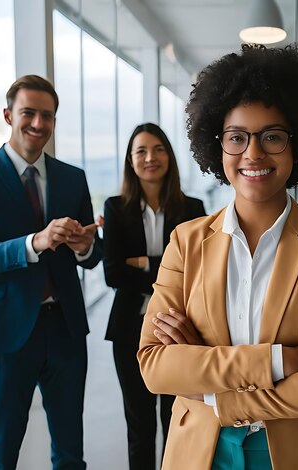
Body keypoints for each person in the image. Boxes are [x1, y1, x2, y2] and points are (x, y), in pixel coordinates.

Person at [138, 44, 298, 470]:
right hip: (200, 454)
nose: (254, 153)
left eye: (273, 136)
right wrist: (282, 359)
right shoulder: (185, 243)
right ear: (217, 144)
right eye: (237, 137)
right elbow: (155, 366)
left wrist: (211, 386)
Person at [0, 75, 101, 469]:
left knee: (71, 450)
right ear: (8, 115)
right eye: (28, 113)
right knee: (0, 452)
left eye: (47, 116)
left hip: (65, 328)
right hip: (4, 331)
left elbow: (91, 252)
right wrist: (34, 243)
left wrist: (85, 248)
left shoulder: (73, 177)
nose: (38, 123)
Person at [102, 123, 205, 469]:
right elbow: (113, 273)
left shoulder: (193, 209)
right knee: (139, 424)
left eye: (158, 149)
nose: (150, 158)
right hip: (129, 330)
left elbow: (200, 272)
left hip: (181, 330)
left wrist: (146, 264)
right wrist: (169, 271)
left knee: (177, 420)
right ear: (130, 161)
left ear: (169, 157)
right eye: (141, 151)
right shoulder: (116, 208)